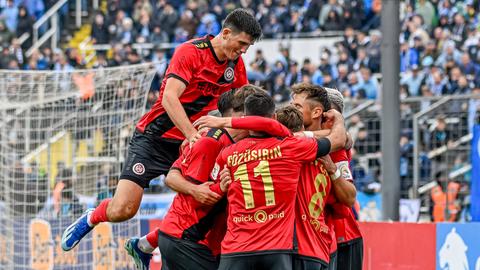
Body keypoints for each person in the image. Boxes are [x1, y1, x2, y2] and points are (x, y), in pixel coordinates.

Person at [61, 8, 262, 252]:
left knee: (213, 200)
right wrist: (191, 135)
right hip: (154, 138)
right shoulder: (190, 52)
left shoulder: (236, 64)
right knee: (123, 209)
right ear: (226, 33)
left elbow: (246, 101)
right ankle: (93, 216)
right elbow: (169, 98)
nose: (243, 50)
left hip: (190, 143)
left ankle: (145, 245)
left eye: (247, 47)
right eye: (241, 43)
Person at [124, 85, 276, 269]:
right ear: (240, 116)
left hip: (190, 239)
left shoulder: (234, 143)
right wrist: (204, 189)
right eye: (256, 115)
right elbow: (182, 185)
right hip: (187, 240)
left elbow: (174, 174)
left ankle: (146, 242)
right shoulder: (210, 143)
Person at [213, 91, 346, 270]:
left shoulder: (228, 154)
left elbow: (213, 184)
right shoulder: (291, 148)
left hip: (236, 247)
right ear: (273, 118)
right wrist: (338, 120)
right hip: (276, 248)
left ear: (246, 119)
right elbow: (338, 139)